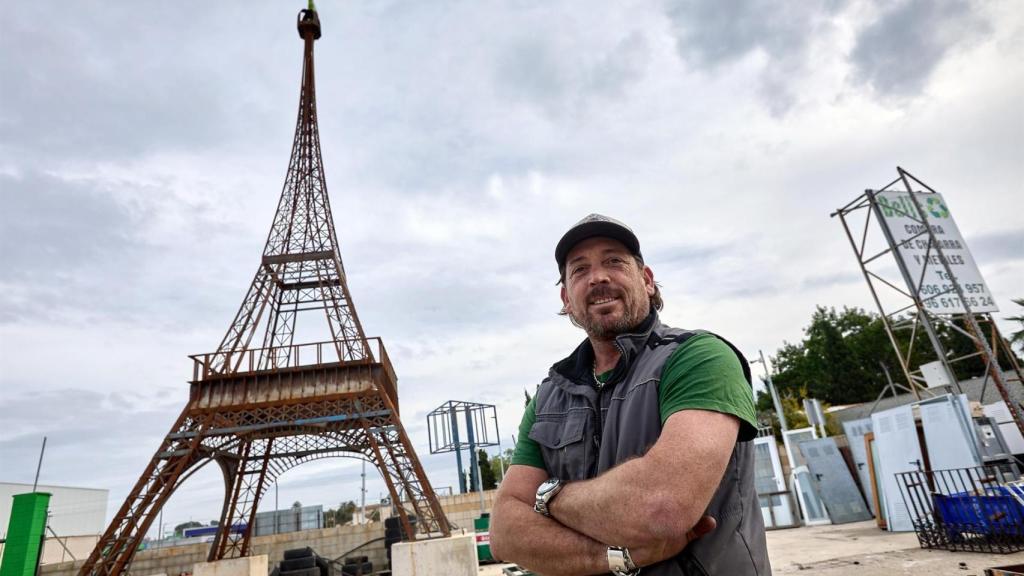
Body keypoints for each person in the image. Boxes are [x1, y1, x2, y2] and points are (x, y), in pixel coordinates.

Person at [490, 214, 770, 575]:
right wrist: (620, 557)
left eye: (614, 261)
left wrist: (548, 498)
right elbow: (505, 533)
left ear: (648, 281)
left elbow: (661, 507)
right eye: (579, 270)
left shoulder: (698, 358)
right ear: (566, 299)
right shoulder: (549, 396)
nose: (598, 277)